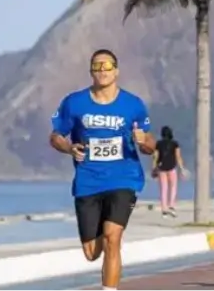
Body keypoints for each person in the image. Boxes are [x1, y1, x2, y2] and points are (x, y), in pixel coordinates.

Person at [49, 49, 156, 291]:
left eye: (107, 66)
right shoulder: (74, 102)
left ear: (116, 71)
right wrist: (68, 147)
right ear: (91, 72)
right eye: (97, 66)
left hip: (124, 179)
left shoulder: (133, 104)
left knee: (112, 238)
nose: (102, 71)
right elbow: (55, 136)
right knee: (91, 252)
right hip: (88, 181)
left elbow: (151, 146)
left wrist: (144, 141)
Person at [152, 126, 188, 218]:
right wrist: (182, 169)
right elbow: (178, 157)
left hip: (161, 168)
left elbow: (155, 157)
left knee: (163, 189)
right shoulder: (175, 144)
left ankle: (164, 209)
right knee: (173, 187)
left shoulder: (158, 144)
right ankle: (171, 206)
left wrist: (154, 168)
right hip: (172, 167)